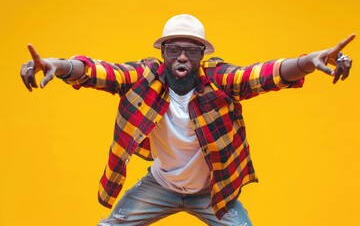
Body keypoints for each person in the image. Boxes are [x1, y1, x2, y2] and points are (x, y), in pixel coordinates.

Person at [20, 14, 355, 226]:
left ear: (201, 56)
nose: (182, 57)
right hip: (160, 186)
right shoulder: (143, 77)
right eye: (174, 50)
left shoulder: (219, 81)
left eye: (191, 51)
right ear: (163, 53)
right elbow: (102, 71)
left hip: (212, 193)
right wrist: (62, 66)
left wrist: (309, 62)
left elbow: (260, 75)